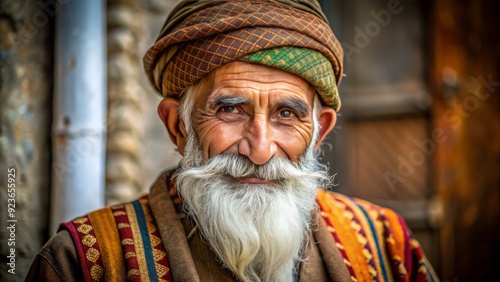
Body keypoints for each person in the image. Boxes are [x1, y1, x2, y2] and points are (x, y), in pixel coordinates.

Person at [27, 1, 439, 281]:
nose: (260, 149)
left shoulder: (387, 247)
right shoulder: (84, 262)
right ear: (178, 126)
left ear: (320, 131)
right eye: (229, 110)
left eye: (287, 115)